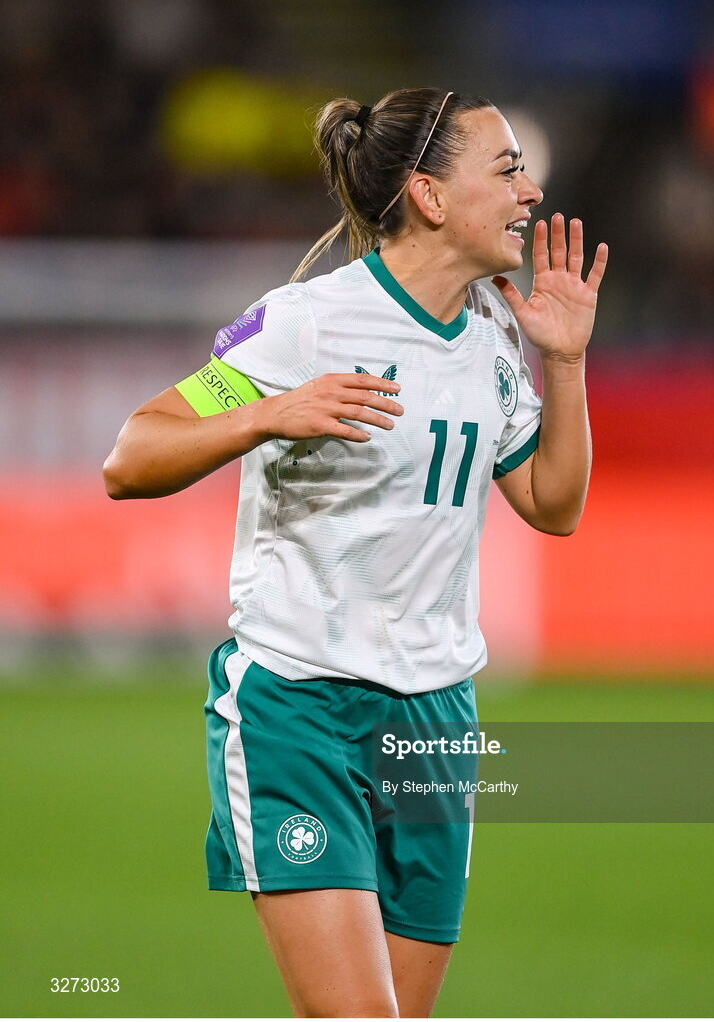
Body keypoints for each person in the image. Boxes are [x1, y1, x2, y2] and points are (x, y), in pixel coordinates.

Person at [103, 86, 607, 1018]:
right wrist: (264, 414)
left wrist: (565, 363)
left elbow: (553, 503)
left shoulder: (495, 337)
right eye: (507, 170)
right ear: (429, 195)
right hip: (302, 711)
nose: (531, 192)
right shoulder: (303, 323)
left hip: (437, 726)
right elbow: (132, 455)